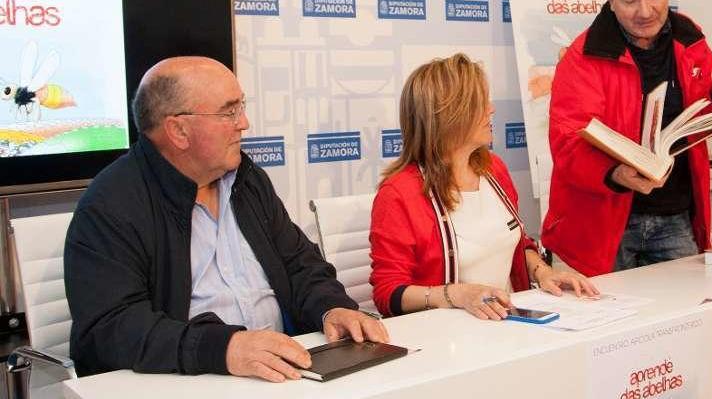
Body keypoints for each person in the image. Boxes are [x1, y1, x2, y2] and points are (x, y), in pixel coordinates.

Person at [64, 56, 387, 382]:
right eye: (229, 112)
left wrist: (332, 307)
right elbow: (110, 327)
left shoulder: (247, 180)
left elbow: (300, 264)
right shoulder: (111, 205)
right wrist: (224, 348)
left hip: (278, 375)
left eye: (241, 107)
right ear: (178, 130)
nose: (244, 123)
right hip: (187, 379)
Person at [542, 0, 712, 276]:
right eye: (630, 0)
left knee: (686, 322)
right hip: (603, 228)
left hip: (676, 218)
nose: (645, 11)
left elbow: (699, 114)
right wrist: (615, 173)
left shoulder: (689, 37)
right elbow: (568, 144)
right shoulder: (583, 58)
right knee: (613, 326)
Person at [370, 53, 598, 320]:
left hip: (507, 325)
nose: (491, 109)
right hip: (448, 341)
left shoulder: (493, 169)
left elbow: (518, 243)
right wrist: (457, 295)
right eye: (480, 103)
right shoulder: (398, 194)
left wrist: (545, 273)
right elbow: (388, 294)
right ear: (449, 115)